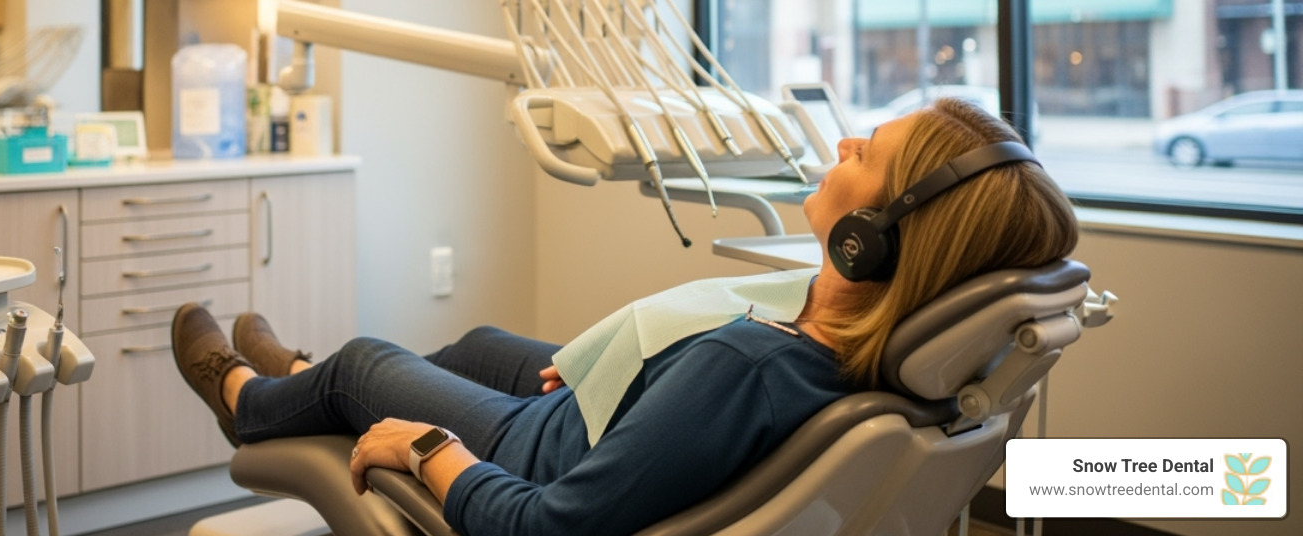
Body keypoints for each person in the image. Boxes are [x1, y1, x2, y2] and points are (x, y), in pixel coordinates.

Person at [172, 98, 1078, 536]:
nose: (841, 143)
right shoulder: (848, 352)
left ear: (872, 241)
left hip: (546, 449)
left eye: (866, 149)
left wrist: (428, 449)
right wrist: (625, 367)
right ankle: (304, 383)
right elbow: (700, 384)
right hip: (598, 416)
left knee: (366, 362)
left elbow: (550, 530)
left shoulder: (753, 373)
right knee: (482, 342)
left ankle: (254, 397)